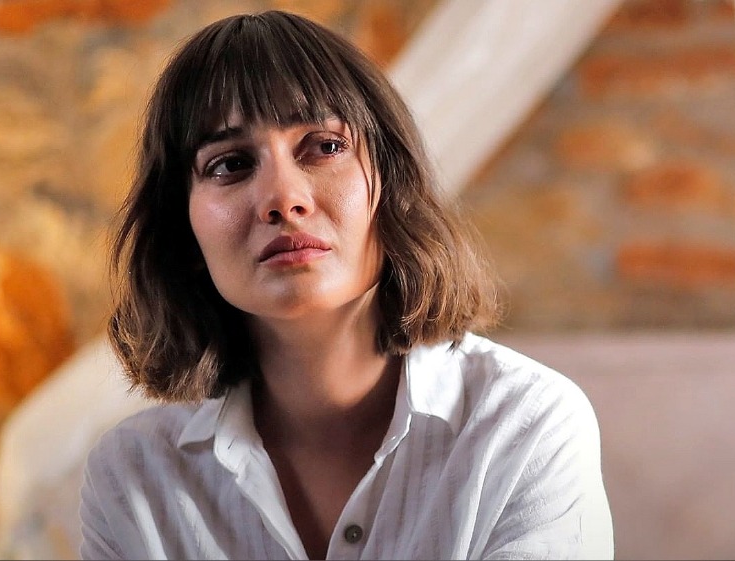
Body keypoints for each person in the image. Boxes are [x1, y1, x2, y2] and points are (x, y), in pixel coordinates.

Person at [79, 10, 613, 560]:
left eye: (325, 146)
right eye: (230, 164)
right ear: (183, 231)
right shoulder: (133, 478)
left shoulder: (525, 426)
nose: (284, 199)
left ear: (393, 184)